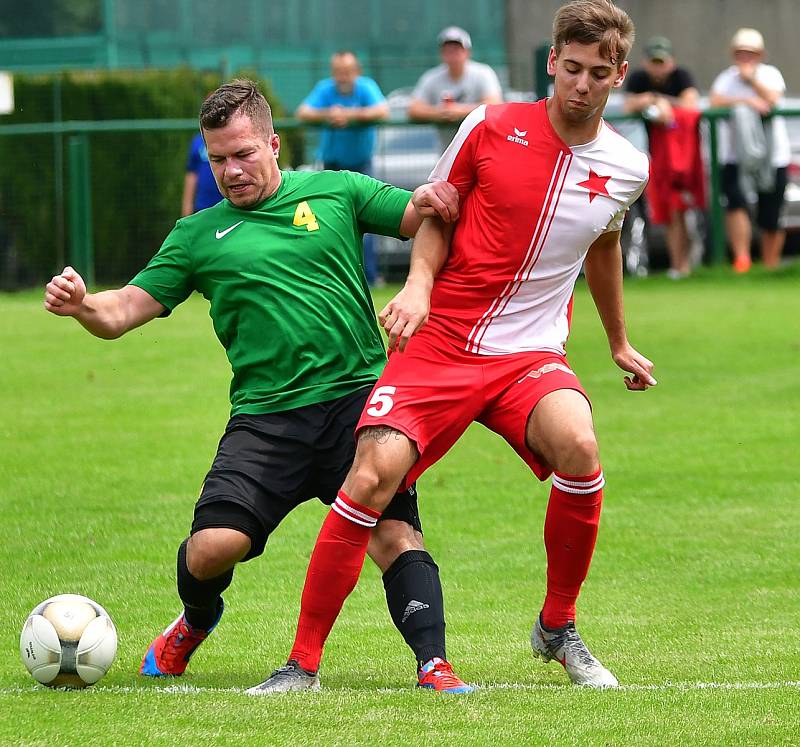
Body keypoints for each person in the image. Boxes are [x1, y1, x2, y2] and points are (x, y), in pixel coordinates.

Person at [260, 0, 655, 693]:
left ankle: (557, 628)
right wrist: (416, 285)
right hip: (442, 338)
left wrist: (618, 340)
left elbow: (606, 243)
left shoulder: (627, 166)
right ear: (553, 62)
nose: (582, 84)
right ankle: (302, 663)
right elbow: (438, 208)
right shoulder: (491, 124)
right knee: (369, 475)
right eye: (571, 68)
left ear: (619, 74)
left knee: (582, 448)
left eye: (598, 72)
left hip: (529, 354)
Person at [43, 79, 472, 695]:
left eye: (243, 154)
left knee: (393, 536)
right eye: (217, 159)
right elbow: (123, 310)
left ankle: (434, 664)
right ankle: (195, 620)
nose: (230, 170)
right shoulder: (196, 236)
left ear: (275, 143)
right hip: (266, 417)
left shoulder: (336, 189)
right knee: (213, 547)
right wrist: (83, 305)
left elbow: (423, 216)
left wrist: (435, 211)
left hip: (358, 404)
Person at [297, 51, 389, 287]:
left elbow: (382, 110)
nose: (342, 77)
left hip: (361, 166)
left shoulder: (366, 87)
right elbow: (303, 112)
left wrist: (349, 115)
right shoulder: (325, 89)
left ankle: (369, 276)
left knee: (366, 221)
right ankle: (336, 276)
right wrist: (330, 114)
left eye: (347, 72)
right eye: (338, 72)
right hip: (333, 167)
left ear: (356, 71)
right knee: (332, 221)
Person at [709, 28, 790, 272]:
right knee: (736, 204)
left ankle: (770, 266)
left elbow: (774, 99)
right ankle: (742, 260)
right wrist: (746, 101)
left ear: (760, 55)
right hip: (735, 155)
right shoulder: (726, 78)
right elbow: (714, 101)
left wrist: (752, 81)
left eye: (751, 53)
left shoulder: (770, 74)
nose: (745, 58)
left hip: (772, 156)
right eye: (741, 53)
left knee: (771, 210)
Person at [624, 36, 702, 279]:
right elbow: (627, 106)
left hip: (686, 159)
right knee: (668, 211)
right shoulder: (639, 79)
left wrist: (662, 101)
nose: (658, 67)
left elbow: (691, 105)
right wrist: (651, 100)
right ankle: (676, 266)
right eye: (654, 61)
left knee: (682, 210)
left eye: (662, 61)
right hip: (654, 160)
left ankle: (685, 265)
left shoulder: (682, 76)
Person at [408, 26, 503, 150]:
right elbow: (414, 109)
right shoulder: (431, 77)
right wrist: (439, 112)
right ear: (442, 54)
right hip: (448, 152)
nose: (452, 55)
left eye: (456, 50)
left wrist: (459, 111)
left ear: (467, 52)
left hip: (482, 149)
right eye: (447, 51)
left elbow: (494, 105)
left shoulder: (483, 73)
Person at [181, 131, 223, 216]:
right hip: (203, 207)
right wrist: (187, 206)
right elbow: (191, 175)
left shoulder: (229, 140)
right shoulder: (198, 141)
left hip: (228, 205)